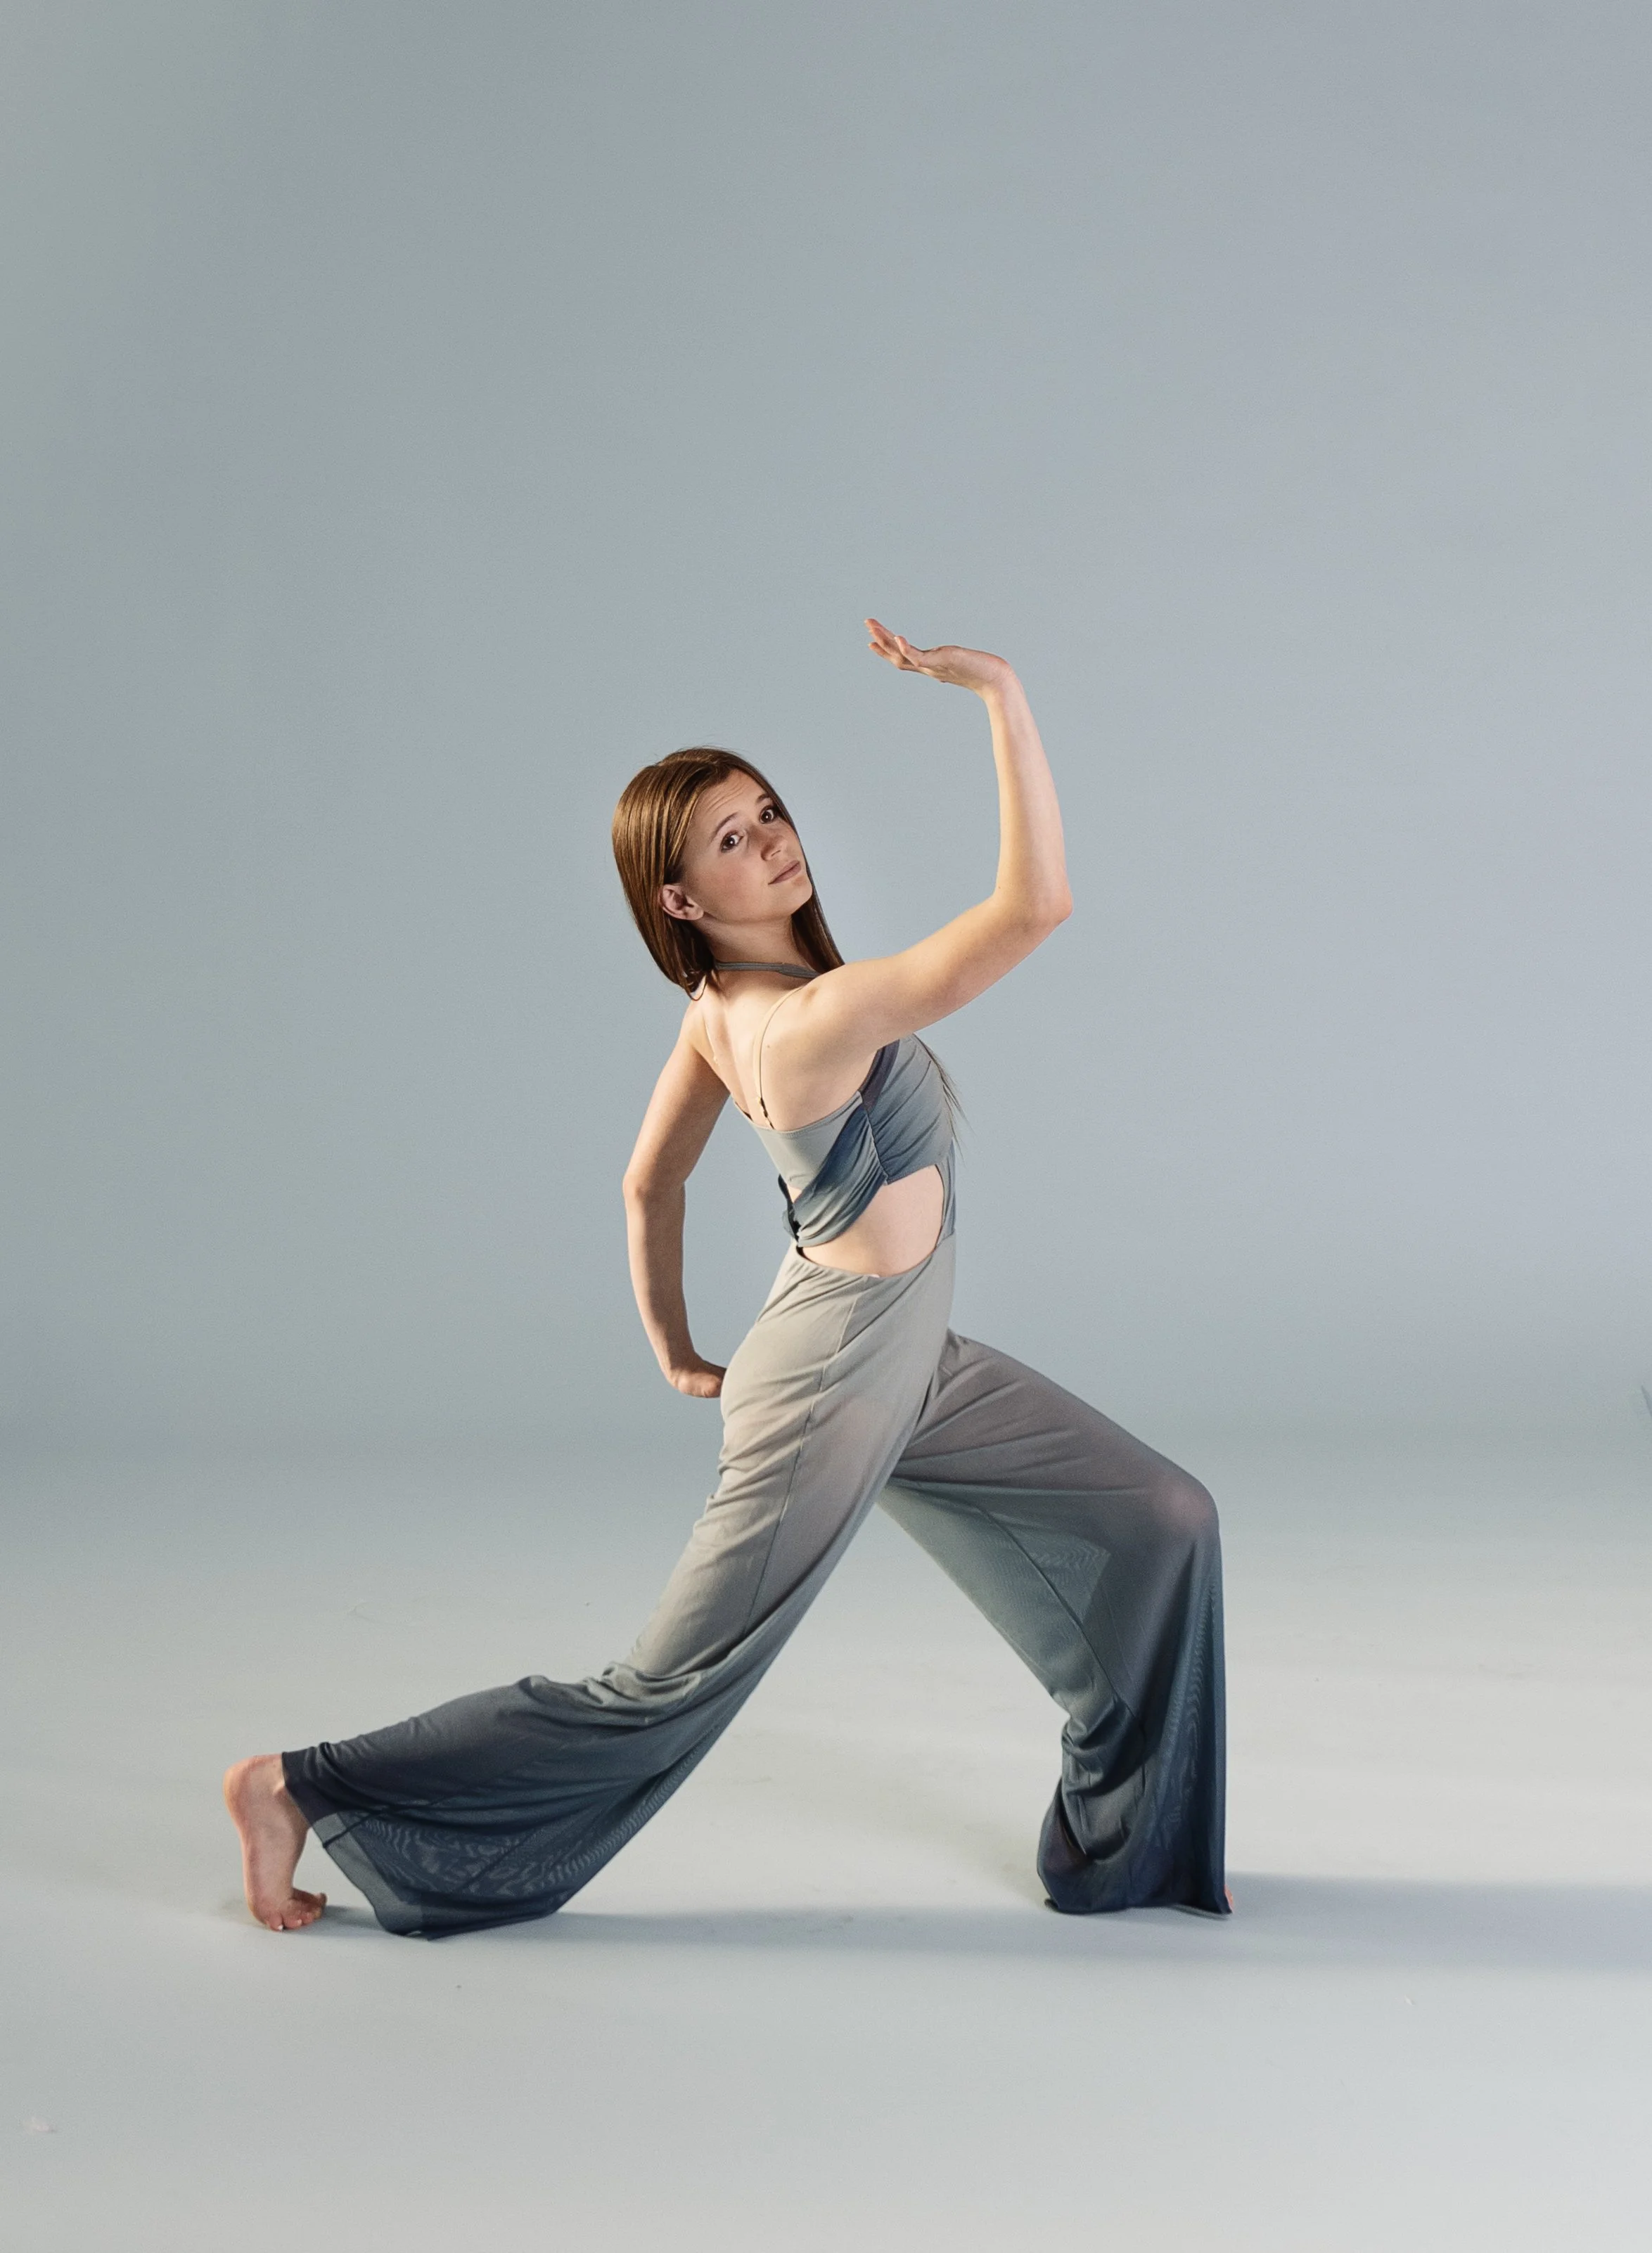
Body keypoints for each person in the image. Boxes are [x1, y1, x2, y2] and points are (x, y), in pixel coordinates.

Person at [224, 620, 1228, 1936]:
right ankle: (295, 1785)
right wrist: (1003, 694)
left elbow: (650, 1185)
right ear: (682, 904)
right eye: (732, 841)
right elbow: (1036, 909)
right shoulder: (816, 1017)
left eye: (766, 813)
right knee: (660, 1691)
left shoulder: (725, 1013)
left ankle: (1125, 1848)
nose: (772, 841)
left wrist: (680, 1348)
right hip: (838, 1382)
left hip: (904, 1357)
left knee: (1164, 1515)